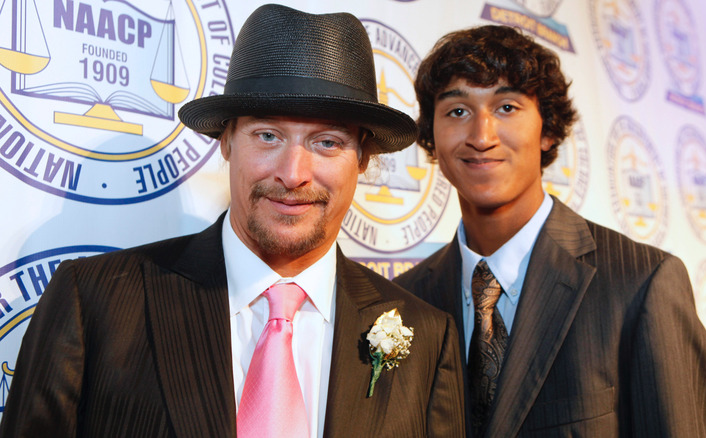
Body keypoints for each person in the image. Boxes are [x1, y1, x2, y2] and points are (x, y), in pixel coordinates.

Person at [0, 5, 464, 438]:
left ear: (363, 159)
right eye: (267, 135)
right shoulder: (94, 300)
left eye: (326, 142)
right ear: (226, 141)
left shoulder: (426, 337)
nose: (293, 174)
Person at [394, 25, 706, 437]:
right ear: (431, 136)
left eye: (507, 108)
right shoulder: (407, 300)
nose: (481, 136)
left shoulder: (641, 283)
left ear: (548, 131)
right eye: (457, 111)